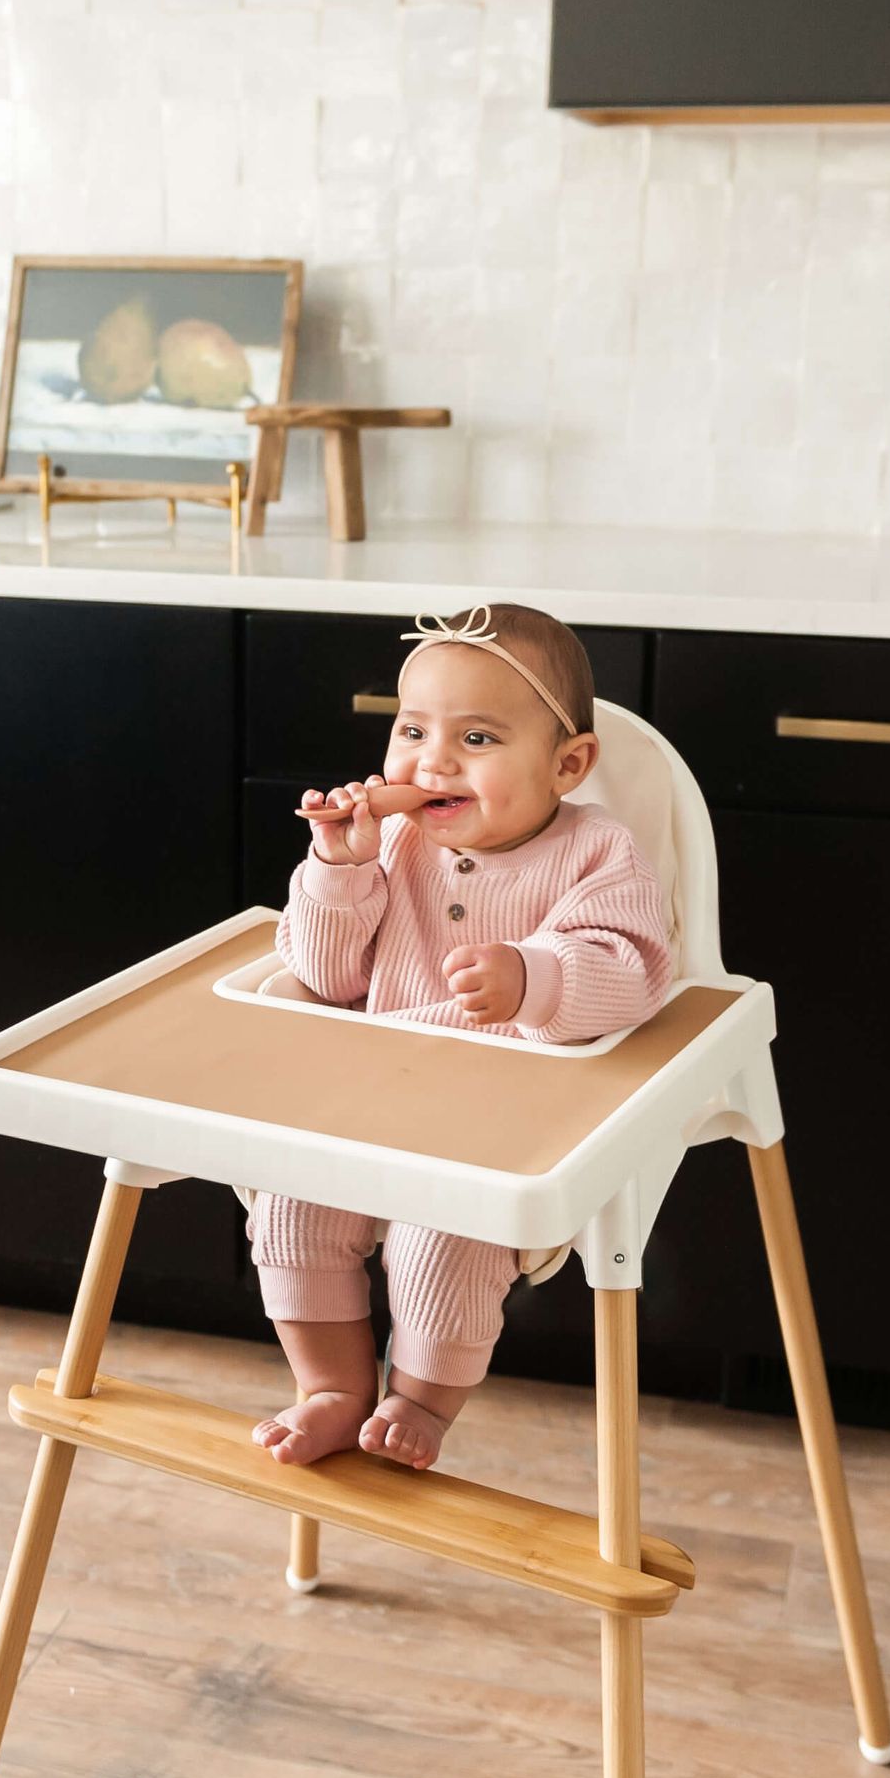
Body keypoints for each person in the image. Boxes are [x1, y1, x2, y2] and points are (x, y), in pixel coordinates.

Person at [250, 602, 672, 1475]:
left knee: (441, 1239)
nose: (431, 761)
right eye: (412, 730)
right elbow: (325, 978)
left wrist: (535, 977)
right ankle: (329, 1386)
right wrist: (340, 867)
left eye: (476, 739)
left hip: (504, 1111)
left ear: (568, 764)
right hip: (369, 1090)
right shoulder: (390, 842)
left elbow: (631, 969)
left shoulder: (598, 854)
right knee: (290, 1201)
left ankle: (423, 1399)